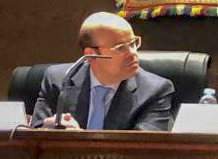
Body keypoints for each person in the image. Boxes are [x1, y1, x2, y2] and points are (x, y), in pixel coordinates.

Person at [30, 12, 175, 131]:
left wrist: (78, 140)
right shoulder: (58, 80)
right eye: (120, 48)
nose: (133, 53)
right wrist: (48, 131)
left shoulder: (154, 91)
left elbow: (141, 148)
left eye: (133, 44)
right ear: (91, 55)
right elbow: (34, 137)